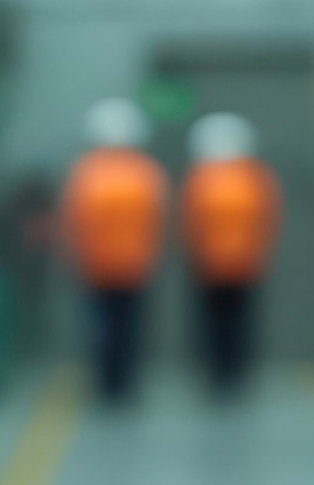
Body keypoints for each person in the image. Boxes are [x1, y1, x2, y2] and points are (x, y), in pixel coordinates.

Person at [57, 99, 165, 406]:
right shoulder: (147, 173)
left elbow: (73, 220)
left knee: (100, 328)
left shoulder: (85, 173)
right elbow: (157, 221)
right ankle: (125, 385)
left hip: (95, 266)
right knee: (129, 328)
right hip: (135, 266)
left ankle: (105, 385)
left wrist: (73, 258)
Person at [178, 113, 281, 397]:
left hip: (208, 266)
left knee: (211, 327)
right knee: (239, 326)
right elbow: (267, 221)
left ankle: (216, 376)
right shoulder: (256, 179)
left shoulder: (200, 180)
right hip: (245, 266)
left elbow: (191, 223)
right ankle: (235, 376)